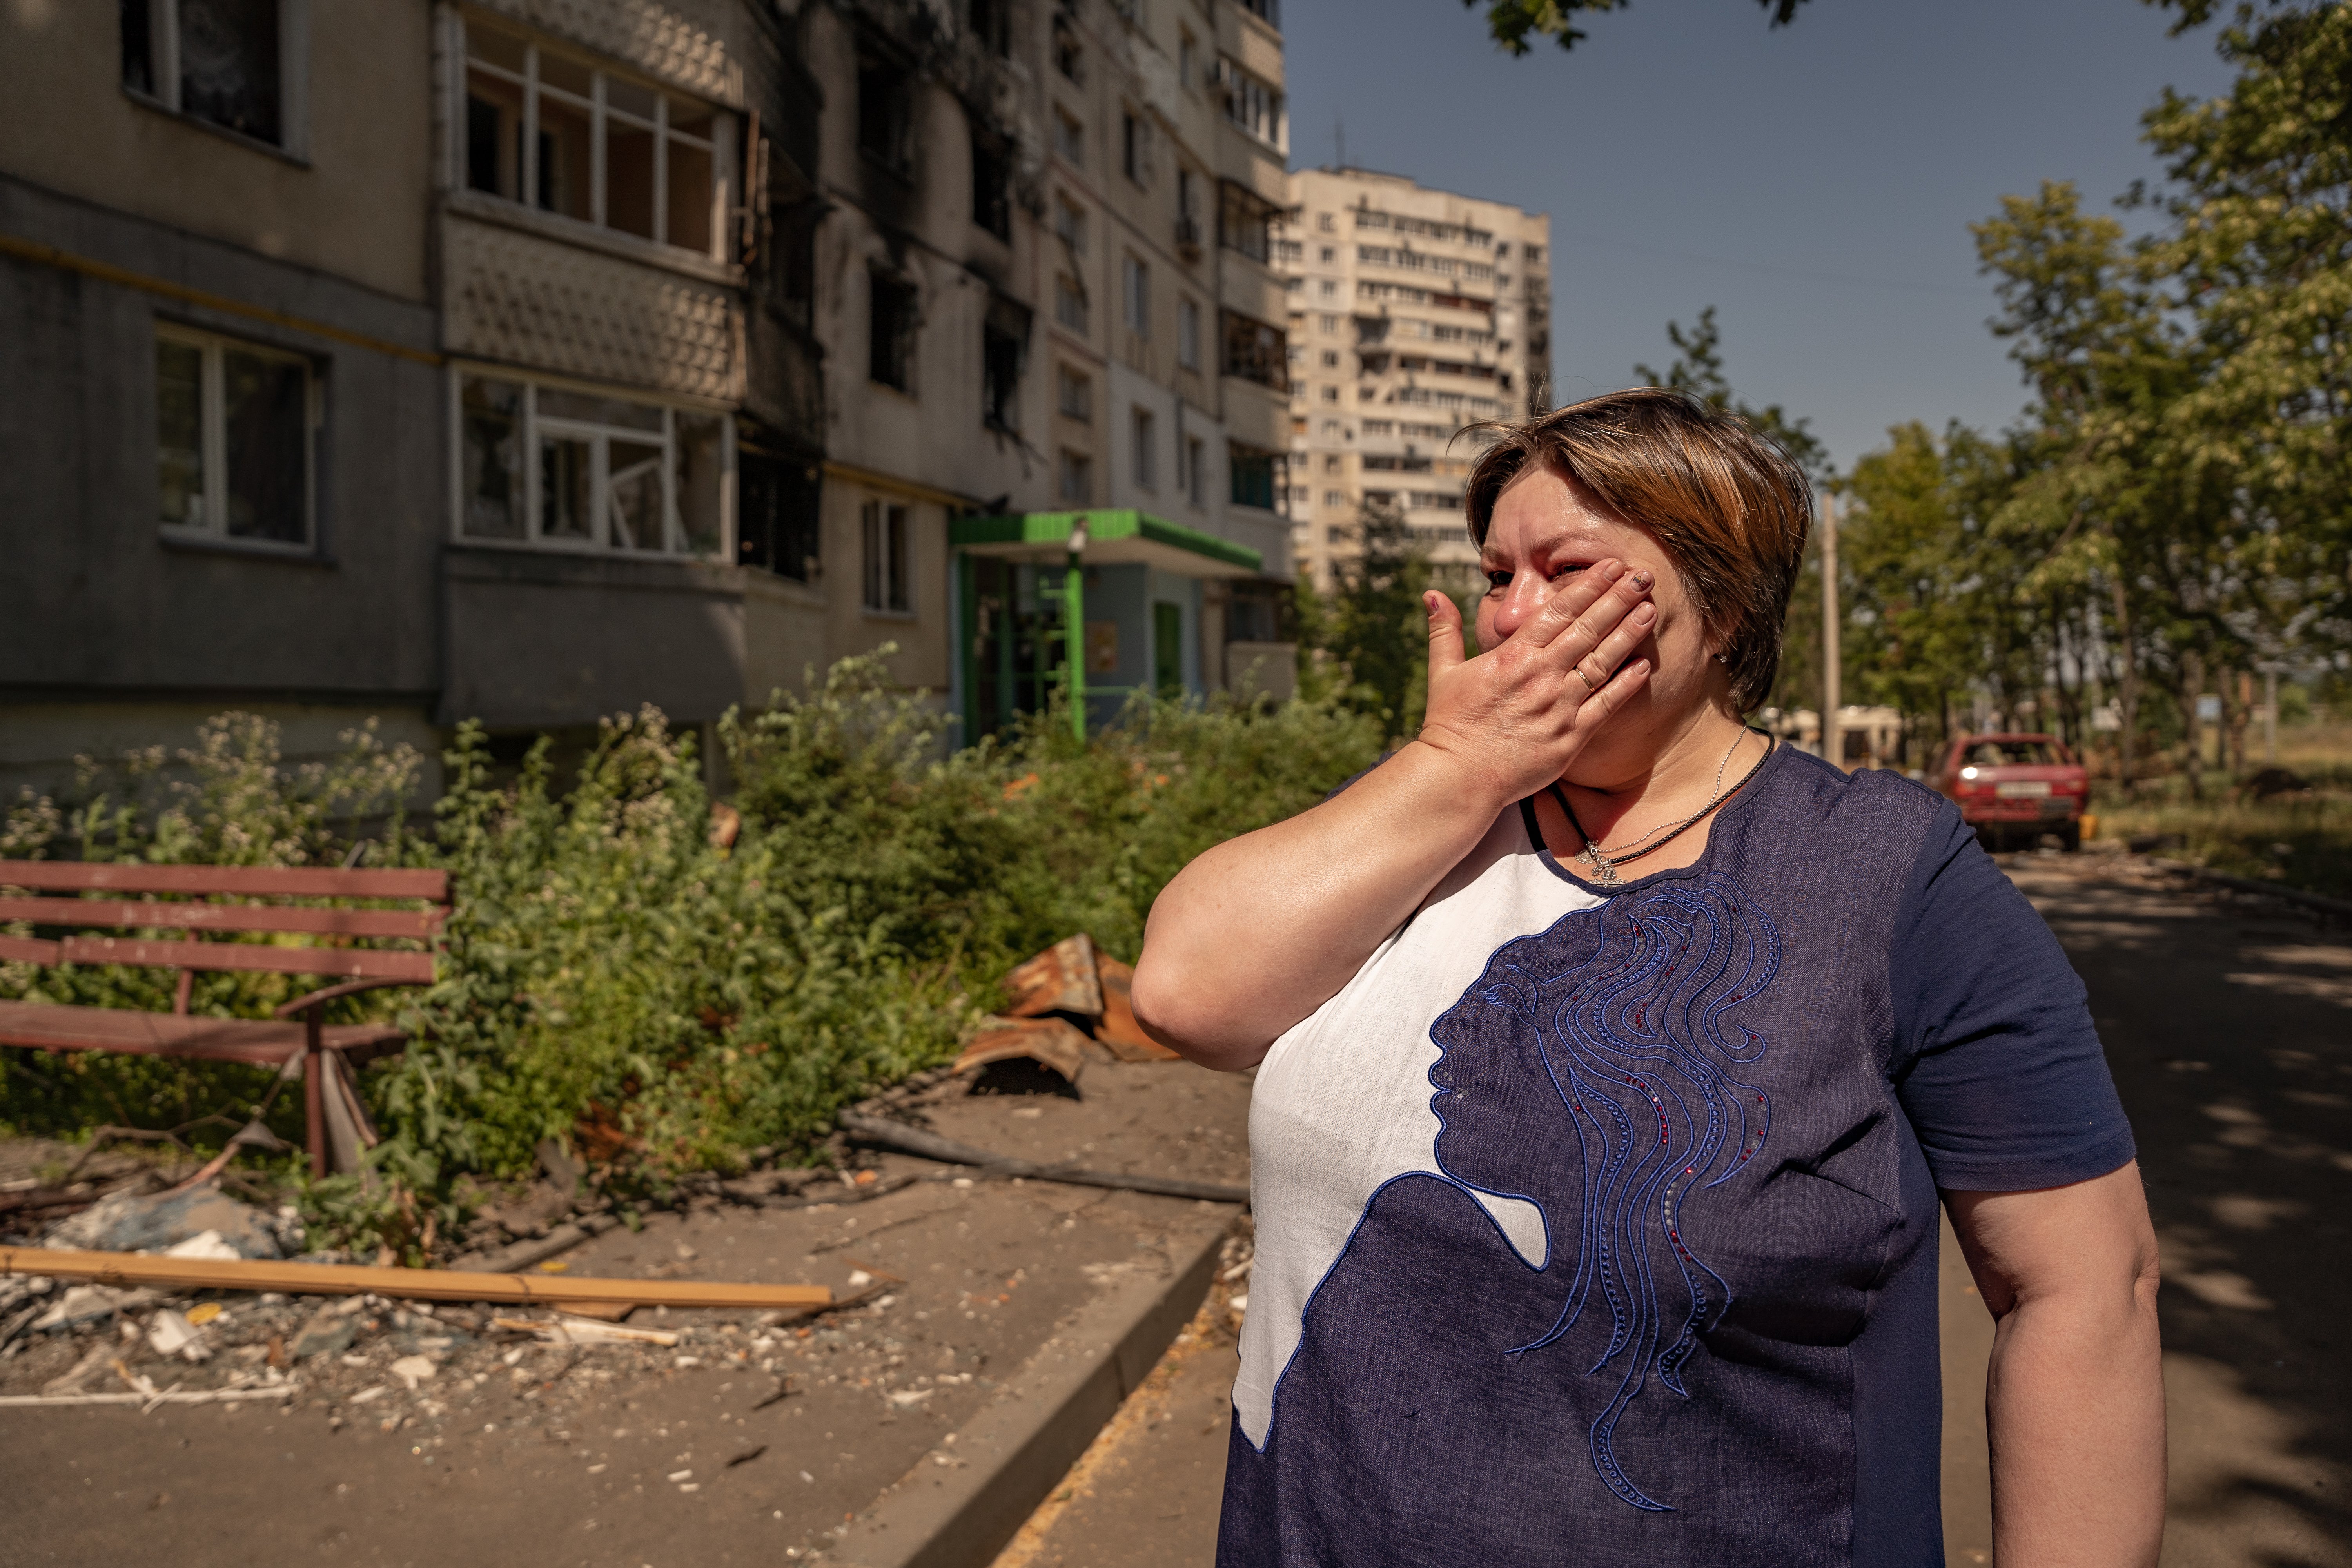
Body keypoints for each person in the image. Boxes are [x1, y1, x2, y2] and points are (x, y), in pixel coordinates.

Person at [1130, 388, 2162, 1568]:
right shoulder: (1435, 817)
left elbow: (2088, 1294)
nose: (1515, 615)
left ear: (1720, 607)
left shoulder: (1892, 877)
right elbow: (1186, 995)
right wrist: (1458, 762)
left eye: (1567, 568)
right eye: (1496, 573)